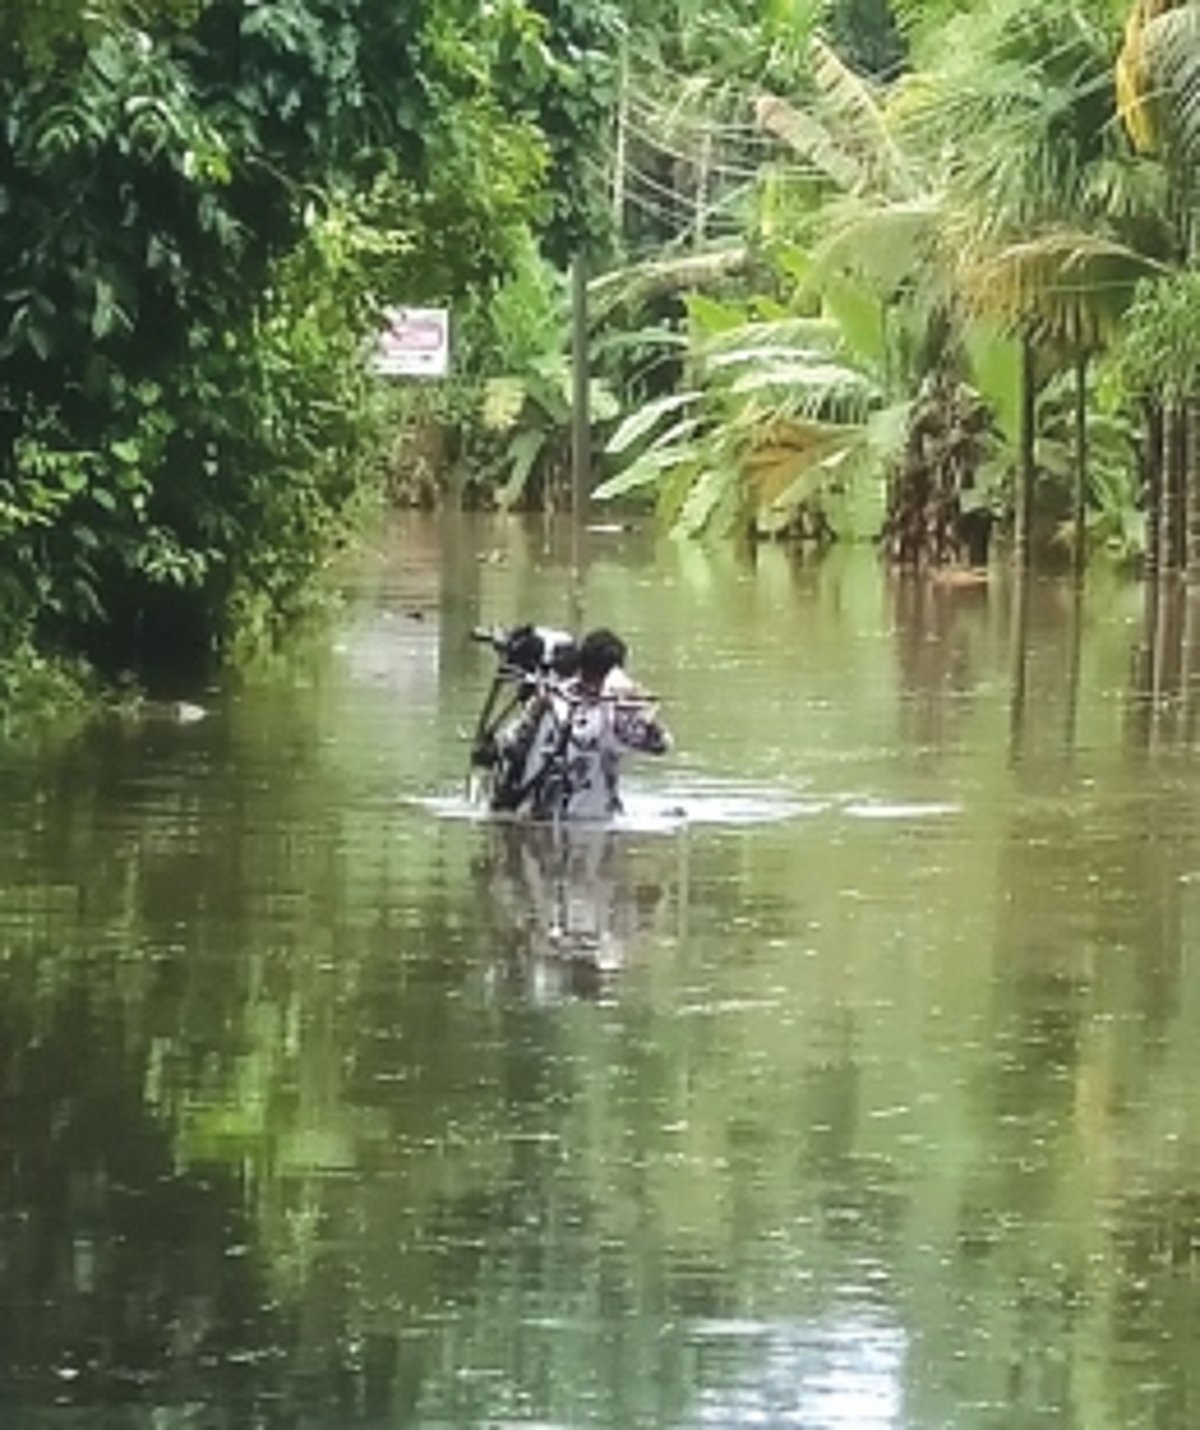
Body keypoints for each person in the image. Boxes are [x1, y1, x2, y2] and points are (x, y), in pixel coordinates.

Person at [490, 627, 670, 821]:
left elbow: (510, 744)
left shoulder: (548, 698)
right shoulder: (615, 714)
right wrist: (640, 705)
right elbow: (662, 744)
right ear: (615, 671)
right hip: (590, 823)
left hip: (538, 814)